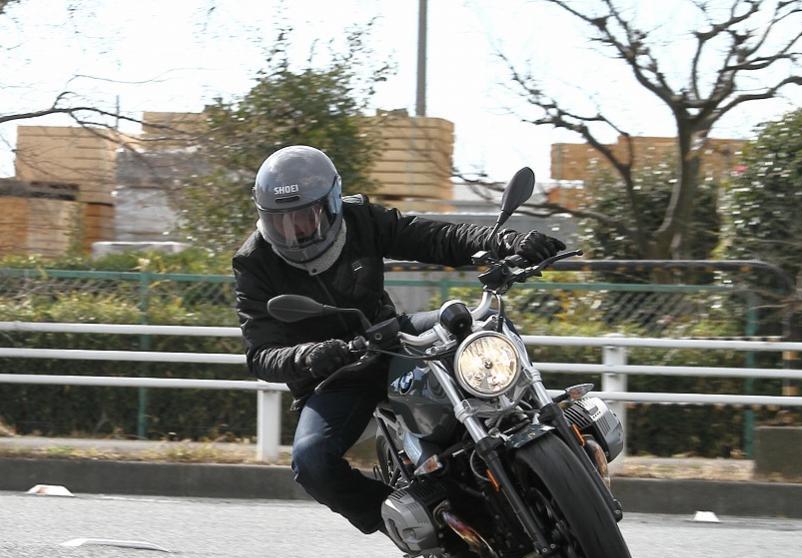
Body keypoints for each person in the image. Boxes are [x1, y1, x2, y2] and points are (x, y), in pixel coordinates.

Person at [232, 145, 564, 535]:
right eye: (282, 222)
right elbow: (261, 353)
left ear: (333, 204)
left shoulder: (361, 220)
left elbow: (434, 237)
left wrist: (505, 243)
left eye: (306, 217)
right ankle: (406, 518)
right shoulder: (254, 262)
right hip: (333, 377)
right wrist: (308, 355)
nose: (296, 231)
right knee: (311, 462)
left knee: (481, 322)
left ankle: (542, 420)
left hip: (393, 338)